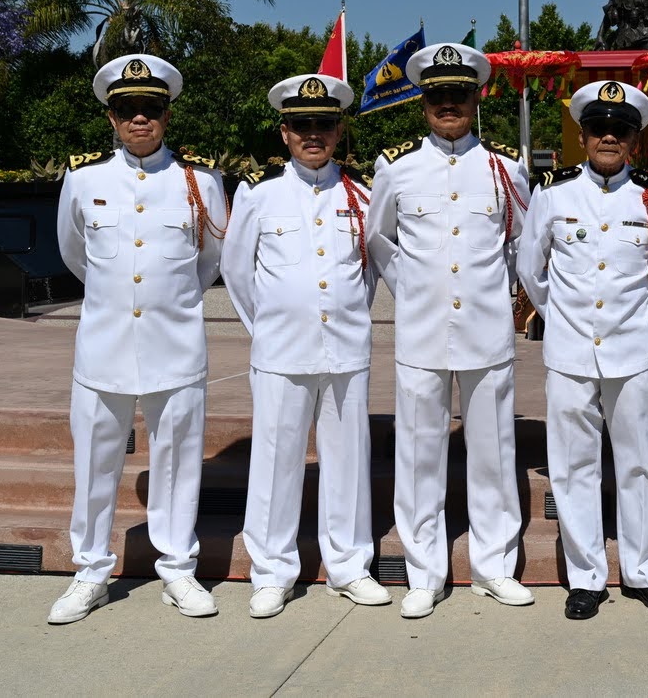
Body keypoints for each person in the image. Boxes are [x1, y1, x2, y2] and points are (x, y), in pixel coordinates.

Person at [48, 54, 227, 624]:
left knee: (178, 461)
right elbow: (75, 255)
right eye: (128, 109)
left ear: (167, 114)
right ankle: (90, 571)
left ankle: (177, 568)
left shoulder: (201, 180)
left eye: (150, 108)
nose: (139, 119)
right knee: (95, 464)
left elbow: (209, 261)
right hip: (103, 347)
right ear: (112, 118)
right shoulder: (84, 179)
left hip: (174, 346)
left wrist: (167, 303)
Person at [366, 43, 534, 620]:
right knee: (418, 456)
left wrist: (495, 293)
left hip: (487, 332)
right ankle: (424, 573)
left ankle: (494, 567)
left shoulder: (506, 168)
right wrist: (413, 288)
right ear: (423, 101)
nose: (448, 104)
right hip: (422, 332)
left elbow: (521, 243)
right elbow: (380, 239)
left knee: (494, 454)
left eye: (458, 94)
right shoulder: (396, 168)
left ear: (475, 98)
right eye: (437, 94)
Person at [518, 80, 648, 620]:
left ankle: (644, 572)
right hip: (569, 353)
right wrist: (563, 320)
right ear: (583, 136)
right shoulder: (552, 193)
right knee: (573, 468)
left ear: (635, 140)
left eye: (620, 130)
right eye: (598, 129)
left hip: (631, 350)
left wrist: (635, 317)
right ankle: (586, 577)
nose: (609, 137)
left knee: (637, 464)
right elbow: (531, 268)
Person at [221, 73, 391, 619]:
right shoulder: (258, 193)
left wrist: (343, 314)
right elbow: (236, 271)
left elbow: (369, 272)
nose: (312, 134)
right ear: (284, 132)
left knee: (349, 461)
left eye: (323, 124)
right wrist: (272, 325)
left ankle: (349, 567)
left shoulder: (364, 194)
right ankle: (272, 572)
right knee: (275, 461)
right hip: (280, 352)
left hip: (346, 348)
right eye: (301, 124)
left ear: (338, 130)